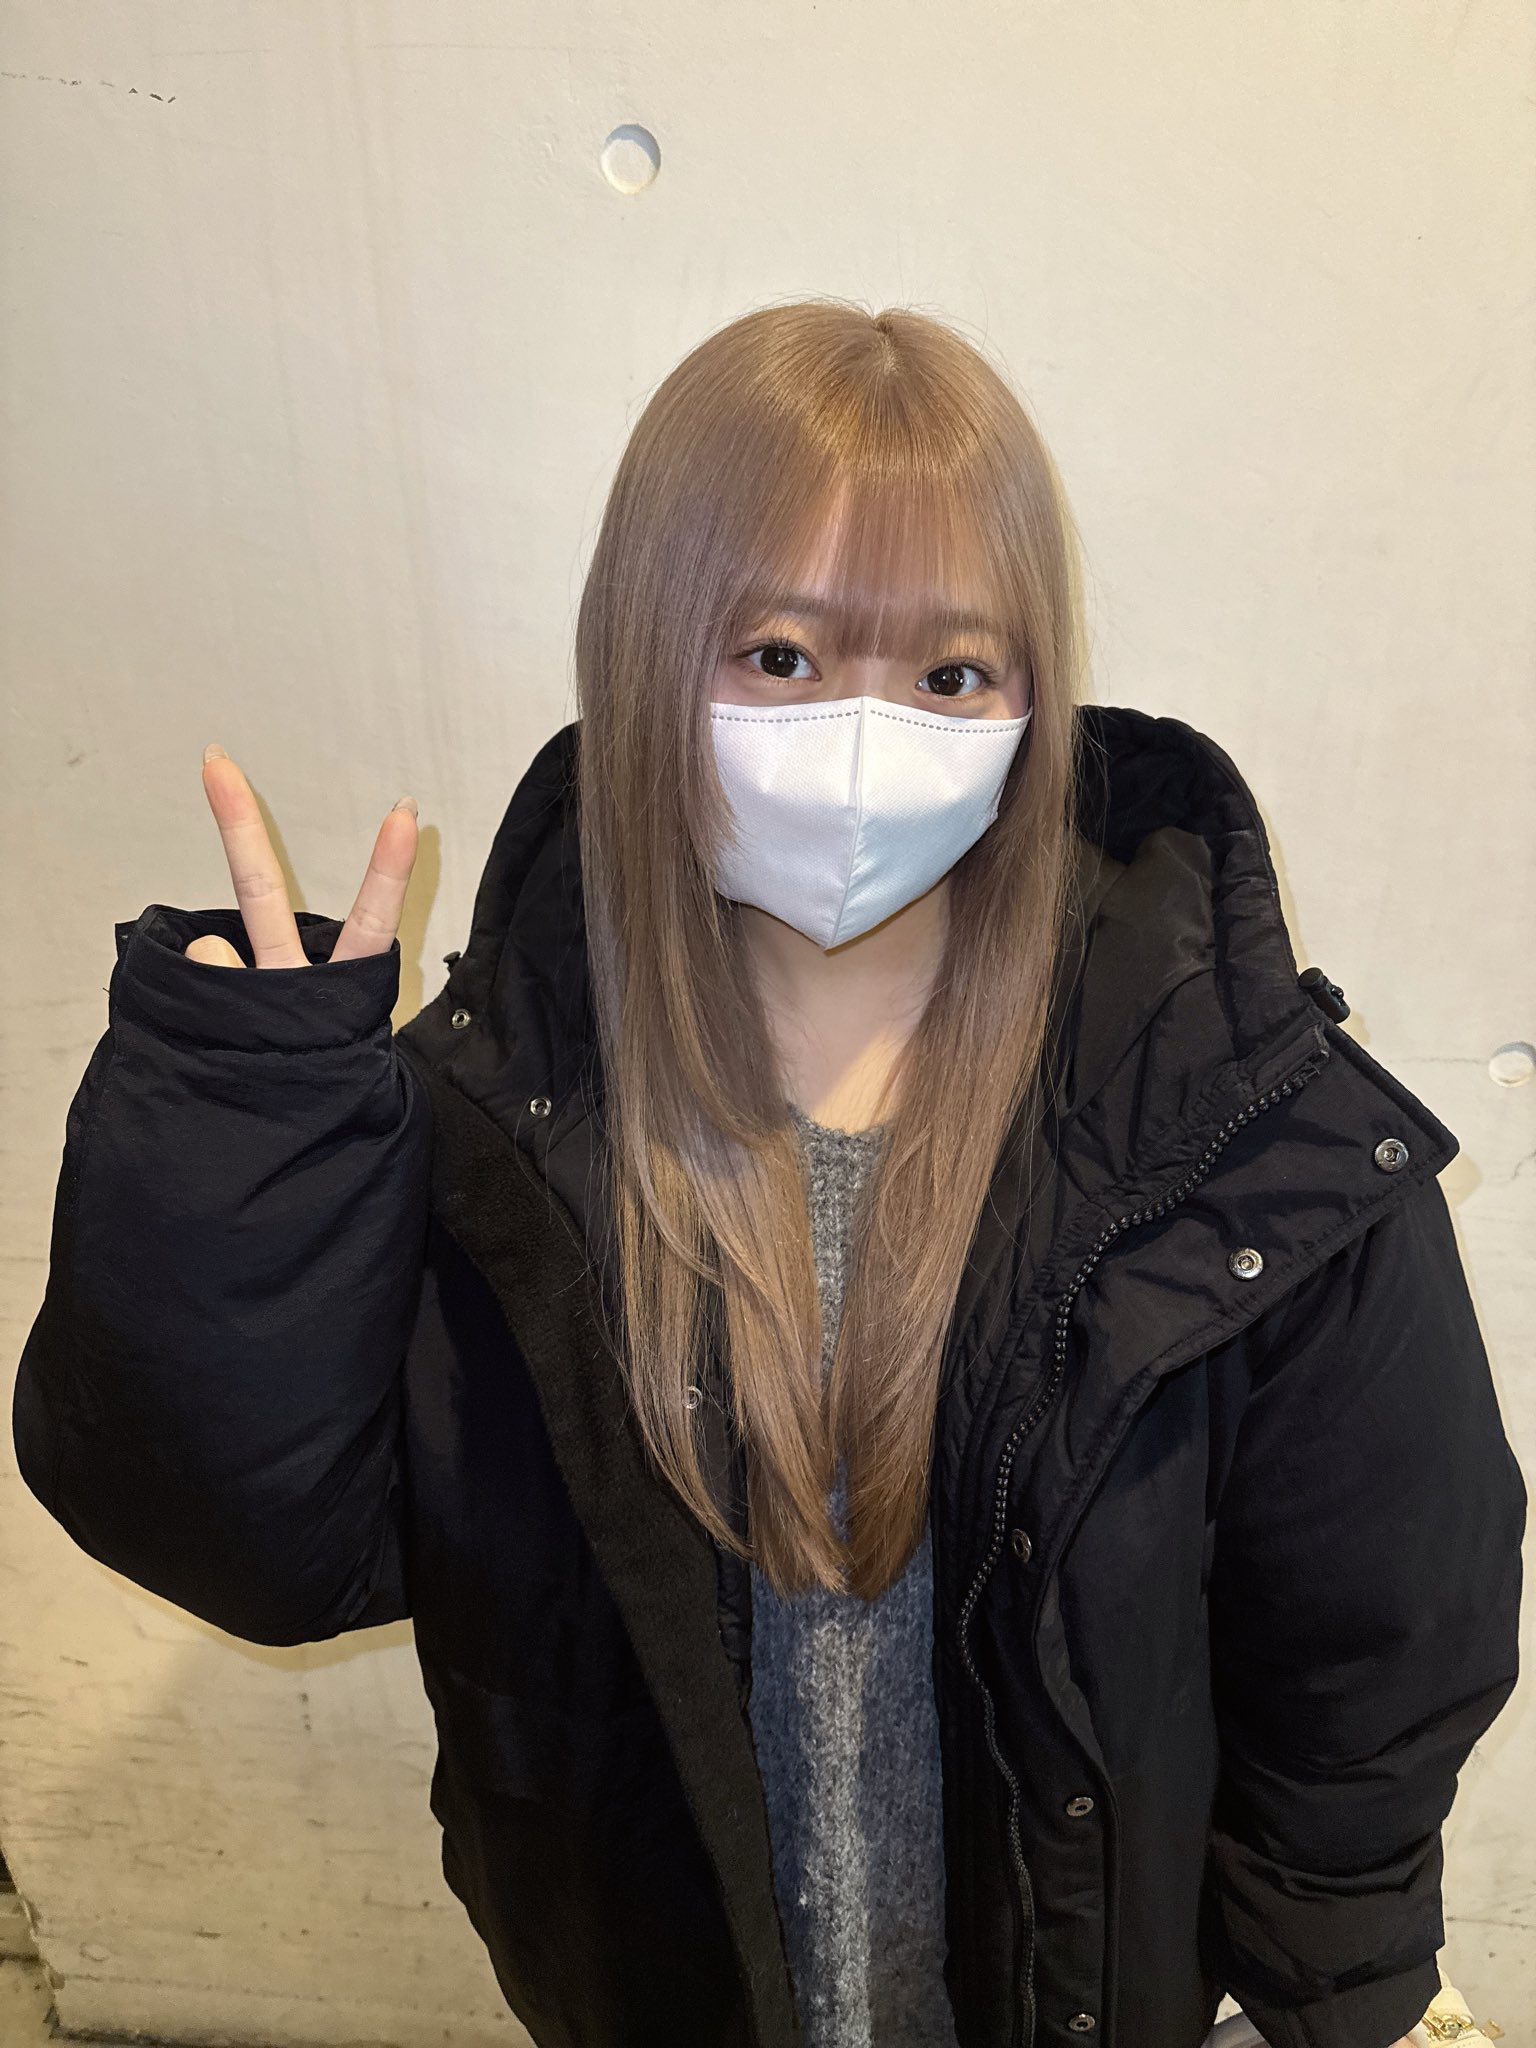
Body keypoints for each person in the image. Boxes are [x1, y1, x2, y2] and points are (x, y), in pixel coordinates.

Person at [13, 300, 1524, 2048]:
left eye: (950, 676)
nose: (864, 740)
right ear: (645, 651)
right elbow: (265, 1552)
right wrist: (247, 1118)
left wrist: (1334, 1995)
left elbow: (1376, 1636)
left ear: (1033, 700)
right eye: (784, 656)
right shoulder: (494, 1124)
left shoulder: (1232, 1130)